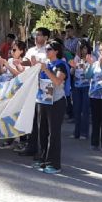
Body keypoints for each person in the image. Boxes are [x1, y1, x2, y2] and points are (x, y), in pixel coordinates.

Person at [31, 40, 69, 174]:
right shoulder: (46, 64)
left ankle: (54, 163)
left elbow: (58, 81)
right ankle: (43, 159)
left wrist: (45, 69)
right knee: (42, 131)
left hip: (56, 101)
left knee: (54, 133)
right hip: (43, 100)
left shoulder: (61, 65)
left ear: (56, 51)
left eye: (49, 49)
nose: (46, 51)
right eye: (46, 49)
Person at [16, 27, 50, 156]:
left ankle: (44, 150)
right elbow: (26, 63)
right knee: (31, 118)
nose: (36, 37)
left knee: (43, 121)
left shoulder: (48, 51)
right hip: (30, 87)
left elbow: (46, 67)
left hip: (43, 88)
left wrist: (35, 64)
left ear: (46, 37)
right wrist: (20, 62)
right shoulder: (31, 50)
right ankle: (31, 146)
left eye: (39, 35)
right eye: (36, 35)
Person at [0, 39, 27, 149]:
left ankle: (23, 141)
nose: (12, 52)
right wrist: (1, 65)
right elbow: (2, 72)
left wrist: (9, 66)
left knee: (20, 117)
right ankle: (9, 139)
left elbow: (21, 75)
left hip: (19, 93)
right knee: (8, 116)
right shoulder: (9, 60)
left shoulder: (24, 61)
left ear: (21, 51)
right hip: (8, 92)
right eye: (11, 49)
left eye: (15, 49)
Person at [68, 41, 91, 140]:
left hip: (87, 87)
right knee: (76, 109)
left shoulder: (91, 58)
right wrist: (73, 67)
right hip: (76, 87)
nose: (83, 50)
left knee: (85, 110)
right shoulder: (77, 58)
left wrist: (87, 66)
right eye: (81, 48)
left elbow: (91, 72)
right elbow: (71, 72)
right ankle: (76, 132)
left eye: (85, 48)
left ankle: (84, 132)